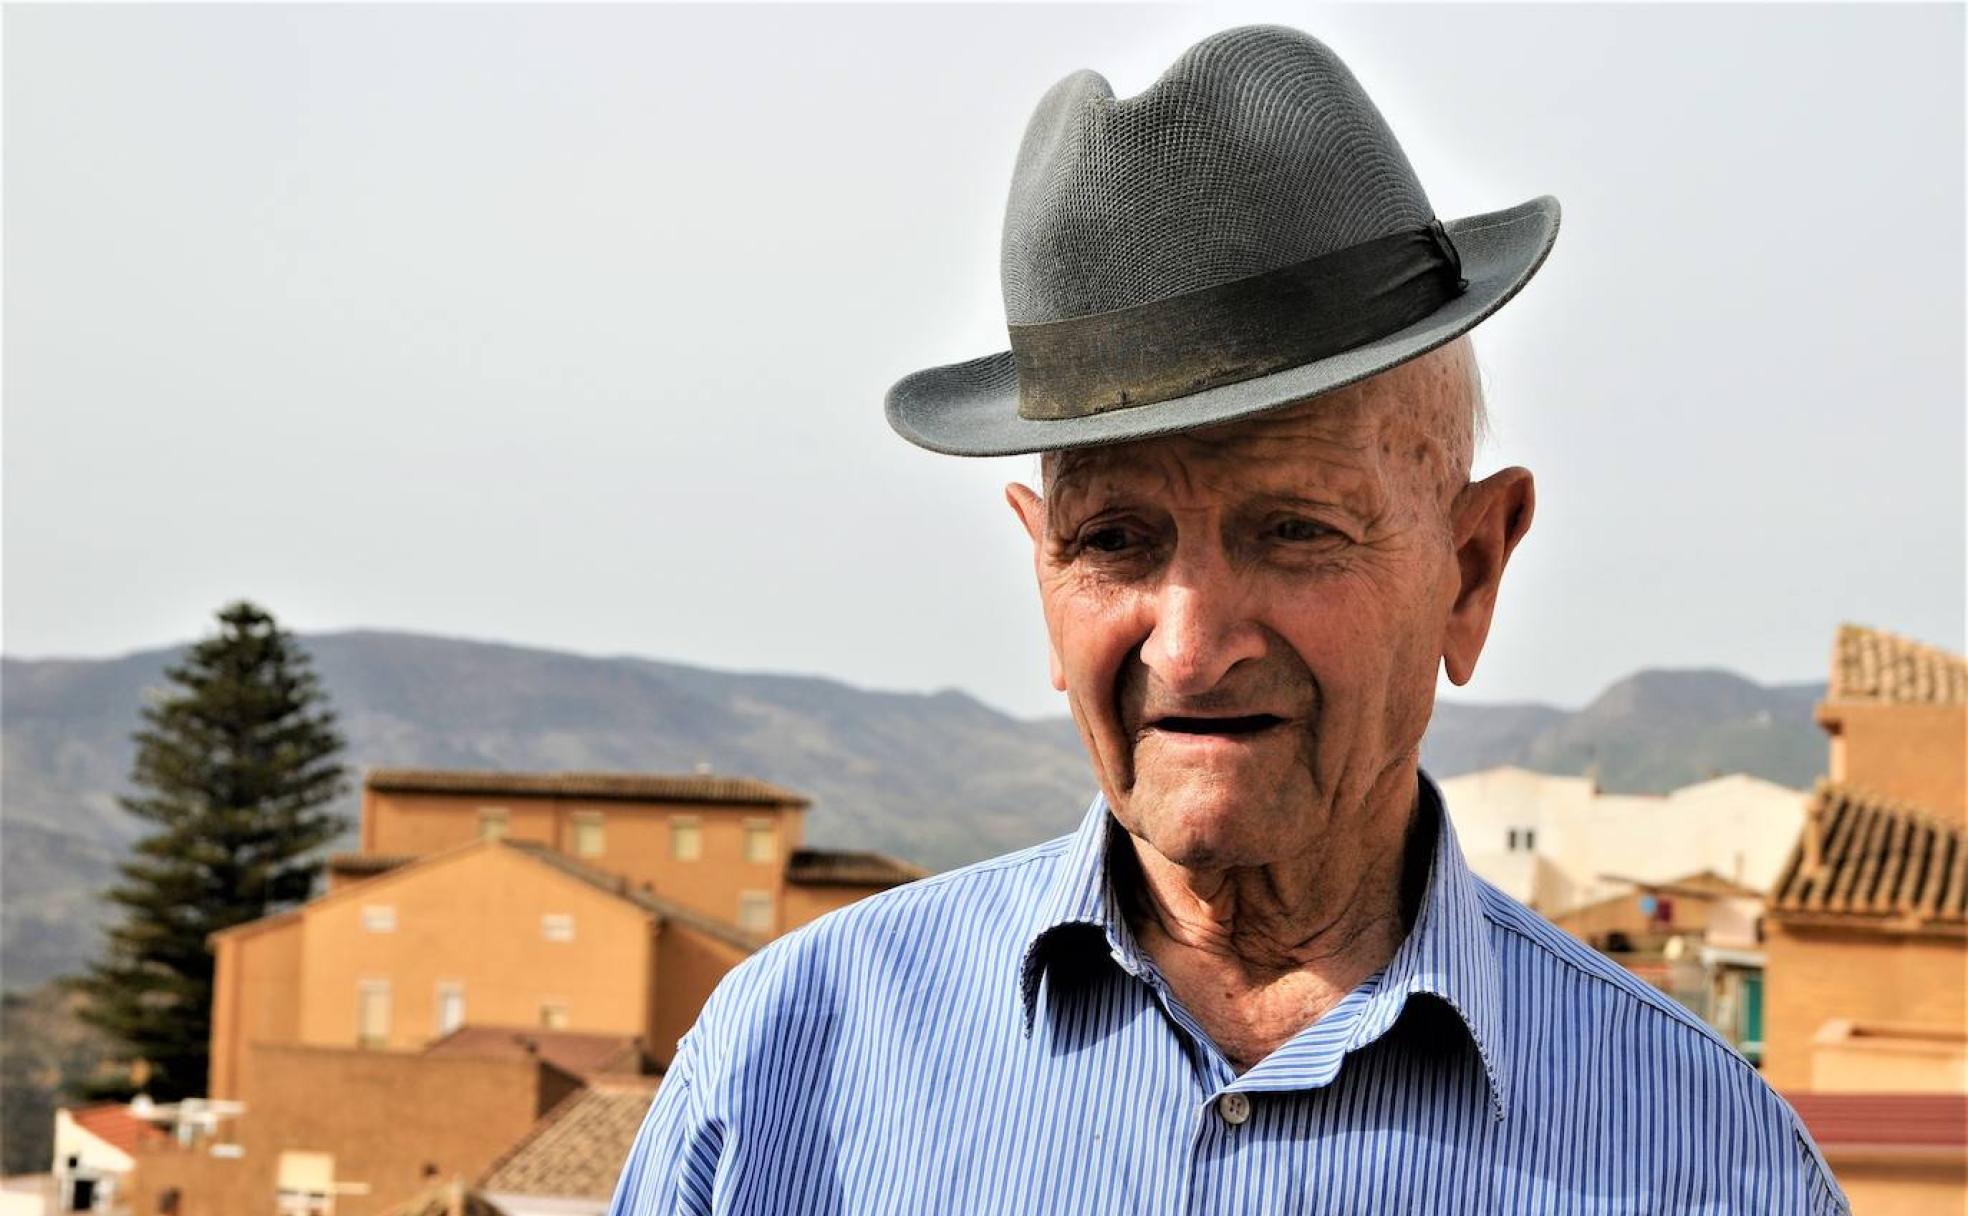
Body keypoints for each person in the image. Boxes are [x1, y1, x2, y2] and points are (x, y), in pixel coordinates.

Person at [609, 25, 1848, 1215]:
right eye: (1113, 541)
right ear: (1044, 579)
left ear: (1469, 570)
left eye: (1295, 529)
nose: (1191, 648)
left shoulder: (1709, 1162)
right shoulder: (785, 1072)